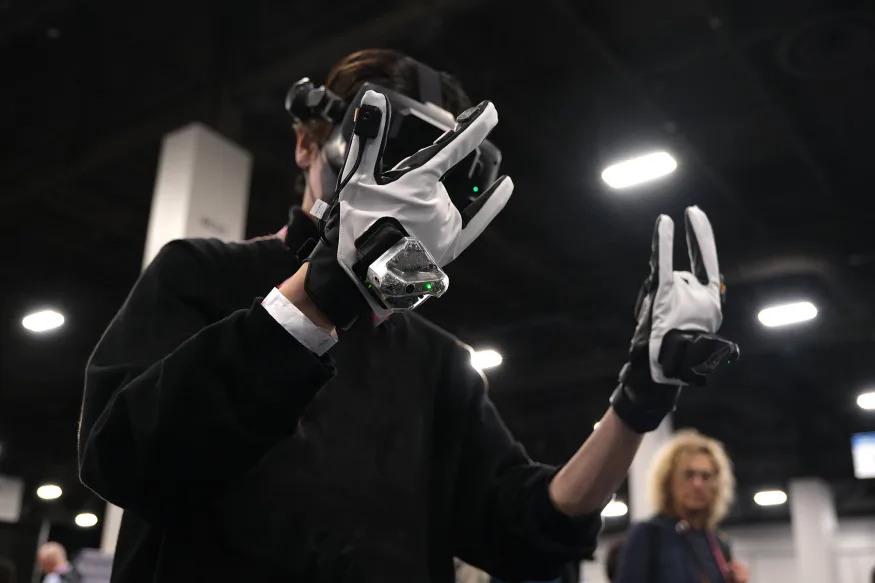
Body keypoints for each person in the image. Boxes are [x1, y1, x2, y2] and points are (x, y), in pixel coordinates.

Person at [77, 48, 736, 582]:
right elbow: (123, 459)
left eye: (439, 161)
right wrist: (325, 292)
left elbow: (530, 530)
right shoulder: (201, 273)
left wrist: (635, 407)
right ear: (307, 145)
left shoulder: (438, 362)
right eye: (398, 146)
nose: (413, 181)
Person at [613, 430, 750, 583]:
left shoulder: (718, 544)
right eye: (689, 475)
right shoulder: (647, 535)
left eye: (706, 476)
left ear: (716, 485)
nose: (698, 484)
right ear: (669, 480)